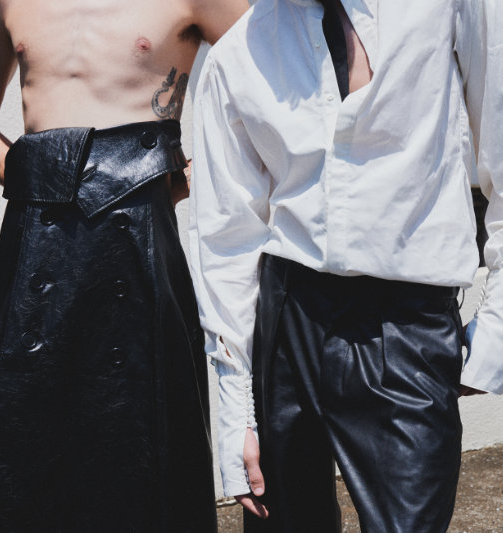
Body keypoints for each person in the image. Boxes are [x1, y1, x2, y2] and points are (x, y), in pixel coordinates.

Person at [189, 0, 502, 531]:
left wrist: (496, 323)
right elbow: (226, 239)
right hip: (286, 320)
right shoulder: (239, 53)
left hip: (407, 322)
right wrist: (236, 411)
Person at [0, 1, 248, 531]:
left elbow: (267, 88)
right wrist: (30, 174)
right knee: (24, 447)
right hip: (35, 247)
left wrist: (189, 174)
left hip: (138, 248)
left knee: (143, 444)